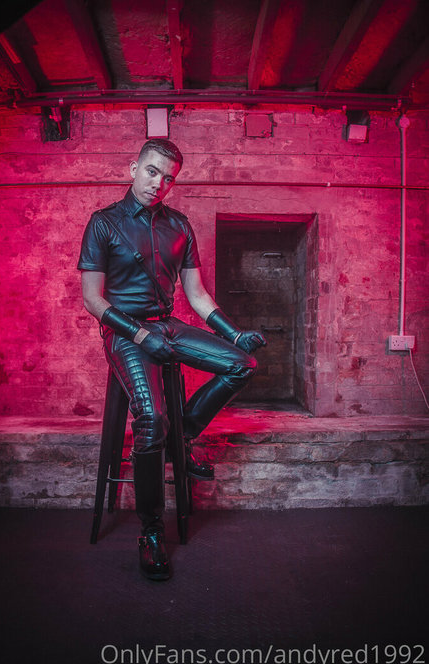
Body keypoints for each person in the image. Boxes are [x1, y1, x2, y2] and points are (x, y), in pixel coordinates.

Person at [78, 139, 266, 581]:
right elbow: (92, 300)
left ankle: (181, 436)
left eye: (168, 178)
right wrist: (140, 334)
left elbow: (196, 295)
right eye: (151, 172)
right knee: (150, 418)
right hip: (124, 332)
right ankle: (151, 531)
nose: (158, 184)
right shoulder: (103, 223)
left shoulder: (179, 225)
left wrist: (233, 333)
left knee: (242, 364)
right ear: (133, 168)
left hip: (167, 325)